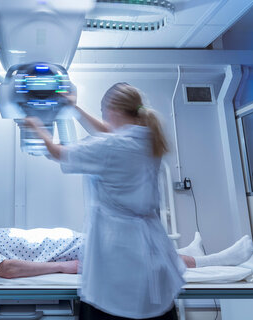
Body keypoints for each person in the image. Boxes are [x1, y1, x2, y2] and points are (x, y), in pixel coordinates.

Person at [24, 82, 184, 320]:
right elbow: (109, 134)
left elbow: (58, 152)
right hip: (151, 252)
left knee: (113, 309)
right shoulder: (147, 139)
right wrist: (75, 108)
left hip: (119, 259)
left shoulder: (112, 146)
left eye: (103, 111)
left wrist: (35, 127)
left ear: (112, 110)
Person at [0, 223, 253, 287]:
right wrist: (63, 266)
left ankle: (189, 254)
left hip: (66, 245)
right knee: (140, 255)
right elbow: (7, 269)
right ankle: (218, 261)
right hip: (67, 253)